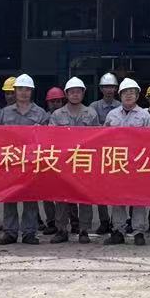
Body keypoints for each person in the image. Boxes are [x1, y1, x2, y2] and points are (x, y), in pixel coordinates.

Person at [0, 74, 50, 244]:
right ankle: (10, 232)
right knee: (10, 197)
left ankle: (29, 233)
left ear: (32, 91)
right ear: (15, 91)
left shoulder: (40, 114)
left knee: (30, 198)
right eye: (20, 89)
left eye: (27, 89)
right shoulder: (4, 113)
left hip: (32, 162)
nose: (23, 92)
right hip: (11, 161)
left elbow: (48, 140)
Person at [47, 76, 100, 242]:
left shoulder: (91, 113)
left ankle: (84, 230)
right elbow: (50, 138)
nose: (75, 94)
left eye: (78, 92)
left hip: (84, 161)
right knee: (61, 196)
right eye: (72, 92)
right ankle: (61, 229)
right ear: (66, 94)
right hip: (63, 162)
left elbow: (98, 139)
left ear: (83, 93)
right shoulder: (57, 115)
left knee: (85, 196)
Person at [102, 77, 150, 244]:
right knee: (117, 198)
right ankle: (118, 230)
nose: (129, 95)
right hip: (117, 162)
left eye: (132, 92)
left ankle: (139, 232)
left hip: (138, 163)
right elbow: (103, 139)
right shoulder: (112, 115)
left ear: (137, 95)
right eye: (125, 92)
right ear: (120, 95)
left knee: (138, 198)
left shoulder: (145, 115)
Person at [89, 73, 122, 236]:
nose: (109, 90)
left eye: (112, 87)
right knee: (99, 189)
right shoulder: (93, 107)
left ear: (116, 89)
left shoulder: (121, 106)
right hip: (99, 153)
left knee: (119, 188)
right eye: (106, 87)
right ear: (101, 89)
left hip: (118, 153)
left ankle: (120, 222)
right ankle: (104, 221)